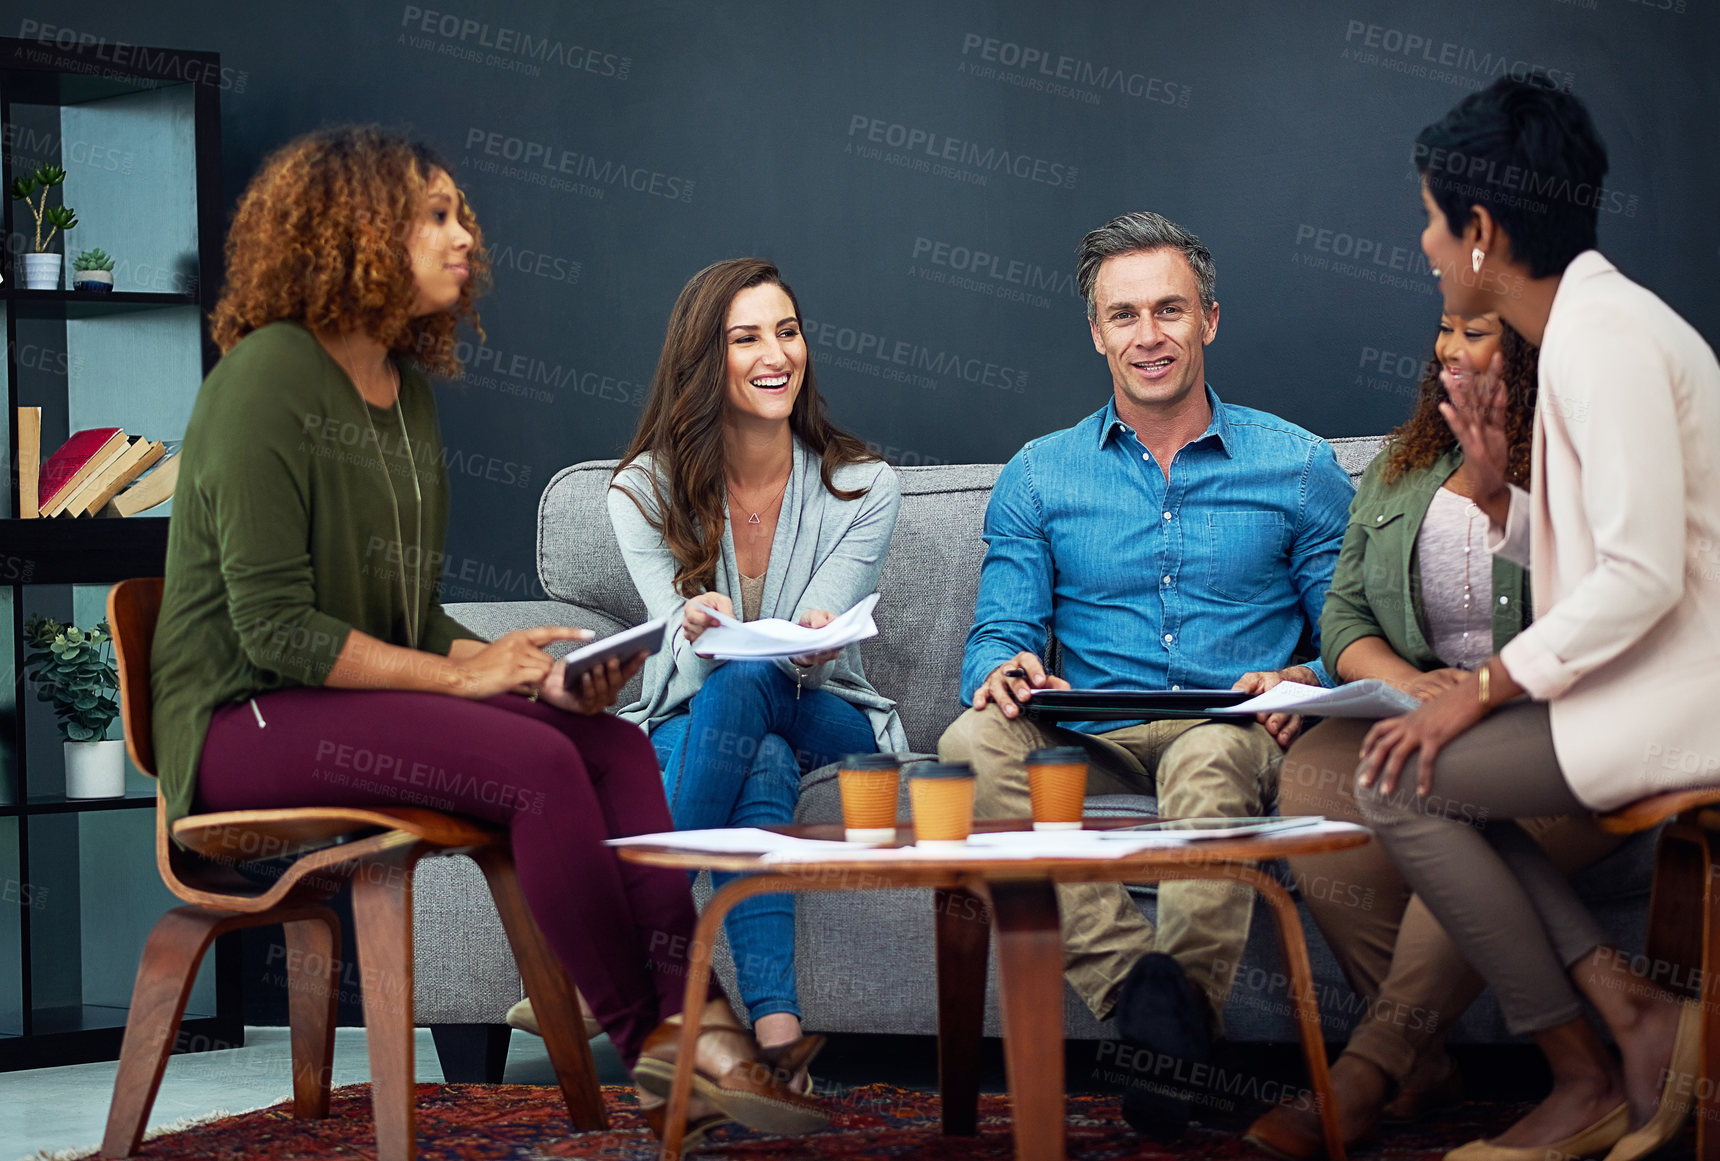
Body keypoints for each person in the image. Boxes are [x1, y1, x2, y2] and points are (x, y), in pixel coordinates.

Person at [149, 127, 822, 1144]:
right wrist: (469, 685)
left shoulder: (406, 395)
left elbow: (411, 623)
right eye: (436, 214)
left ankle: (694, 1019)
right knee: (535, 769)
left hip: (330, 700)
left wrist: (532, 677)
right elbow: (274, 630)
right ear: (356, 230)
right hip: (238, 725)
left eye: (462, 214)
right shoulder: (265, 379)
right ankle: (658, 1044)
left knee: (608, 739)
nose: (465, 237)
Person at [1353, 78, 1720, 1161]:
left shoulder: (1599, 342)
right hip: (1647, 688)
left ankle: (1584, 1066)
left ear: (1481, 232)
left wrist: (1480, 688)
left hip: (1682, 701)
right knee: (1417, 779)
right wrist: (1499, 487)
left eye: (1430, 218)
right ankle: (1626, 1024)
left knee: (1398, 778)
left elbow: (1644, 577)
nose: (1421, 243)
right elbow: (1609, 559)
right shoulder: (1590, 329)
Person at [937, 210, 1354, 1138]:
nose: (1148, 335)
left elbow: (1357, 640)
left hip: (1231, 729)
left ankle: (1164, 1039)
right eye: (1124, 315)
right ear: (1096, 332)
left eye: (1169, 309)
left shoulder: (1298, 467)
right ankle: (1153, 1019)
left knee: (1206, 762)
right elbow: (997, 631)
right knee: (970, 738)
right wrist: (1002, 669)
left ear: (1210, 318)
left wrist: (1301, 677)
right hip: (1090, 734)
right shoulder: (1040, 476)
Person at [1243, 311, 1625, 1159]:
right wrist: (1414, 686)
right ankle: (1426, 1058)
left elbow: (1611, 621)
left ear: (1530, 352)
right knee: (1312, 789)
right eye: (1446, 330)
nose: (1453, 348)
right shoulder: (1402, 465)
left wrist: (1503, 508)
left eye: (1479, 331)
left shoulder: (1590, 464)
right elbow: (1342, 613)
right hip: (1420, 708)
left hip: (1551, 726)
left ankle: (1372, 1069)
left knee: (1451, 804)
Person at [606, 257, 904, 1068]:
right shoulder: (639, 491)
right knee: (759, 757)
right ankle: (777, 1036)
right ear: (707, 359)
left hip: (826, 712)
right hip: (693, 714)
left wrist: (815, 629)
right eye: (747, 338)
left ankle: (637, 941)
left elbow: (823, 627)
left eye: (788, 330)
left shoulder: (865, 486)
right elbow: (675, 631)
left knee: (757, 680)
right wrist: (687, 619)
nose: (777, 354)